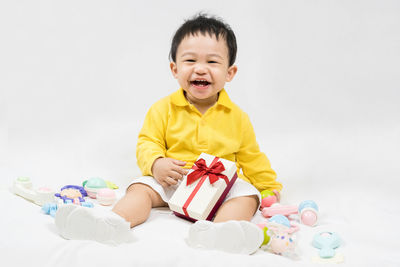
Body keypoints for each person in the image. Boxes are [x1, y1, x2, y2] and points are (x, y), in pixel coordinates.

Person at [55, 13, 282, 254]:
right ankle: (112, 224)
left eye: (213, 62)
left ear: (230, 73)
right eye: (190, 60)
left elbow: (251, 156)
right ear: (175, 68)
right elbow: (147, 142)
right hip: (173, 179)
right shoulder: (163, 108)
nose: (201, 69)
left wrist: (268, 186)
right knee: (140, 189)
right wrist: (156, 164)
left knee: (247, 196)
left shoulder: (238, 117)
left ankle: (221, 233)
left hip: (218, 187)